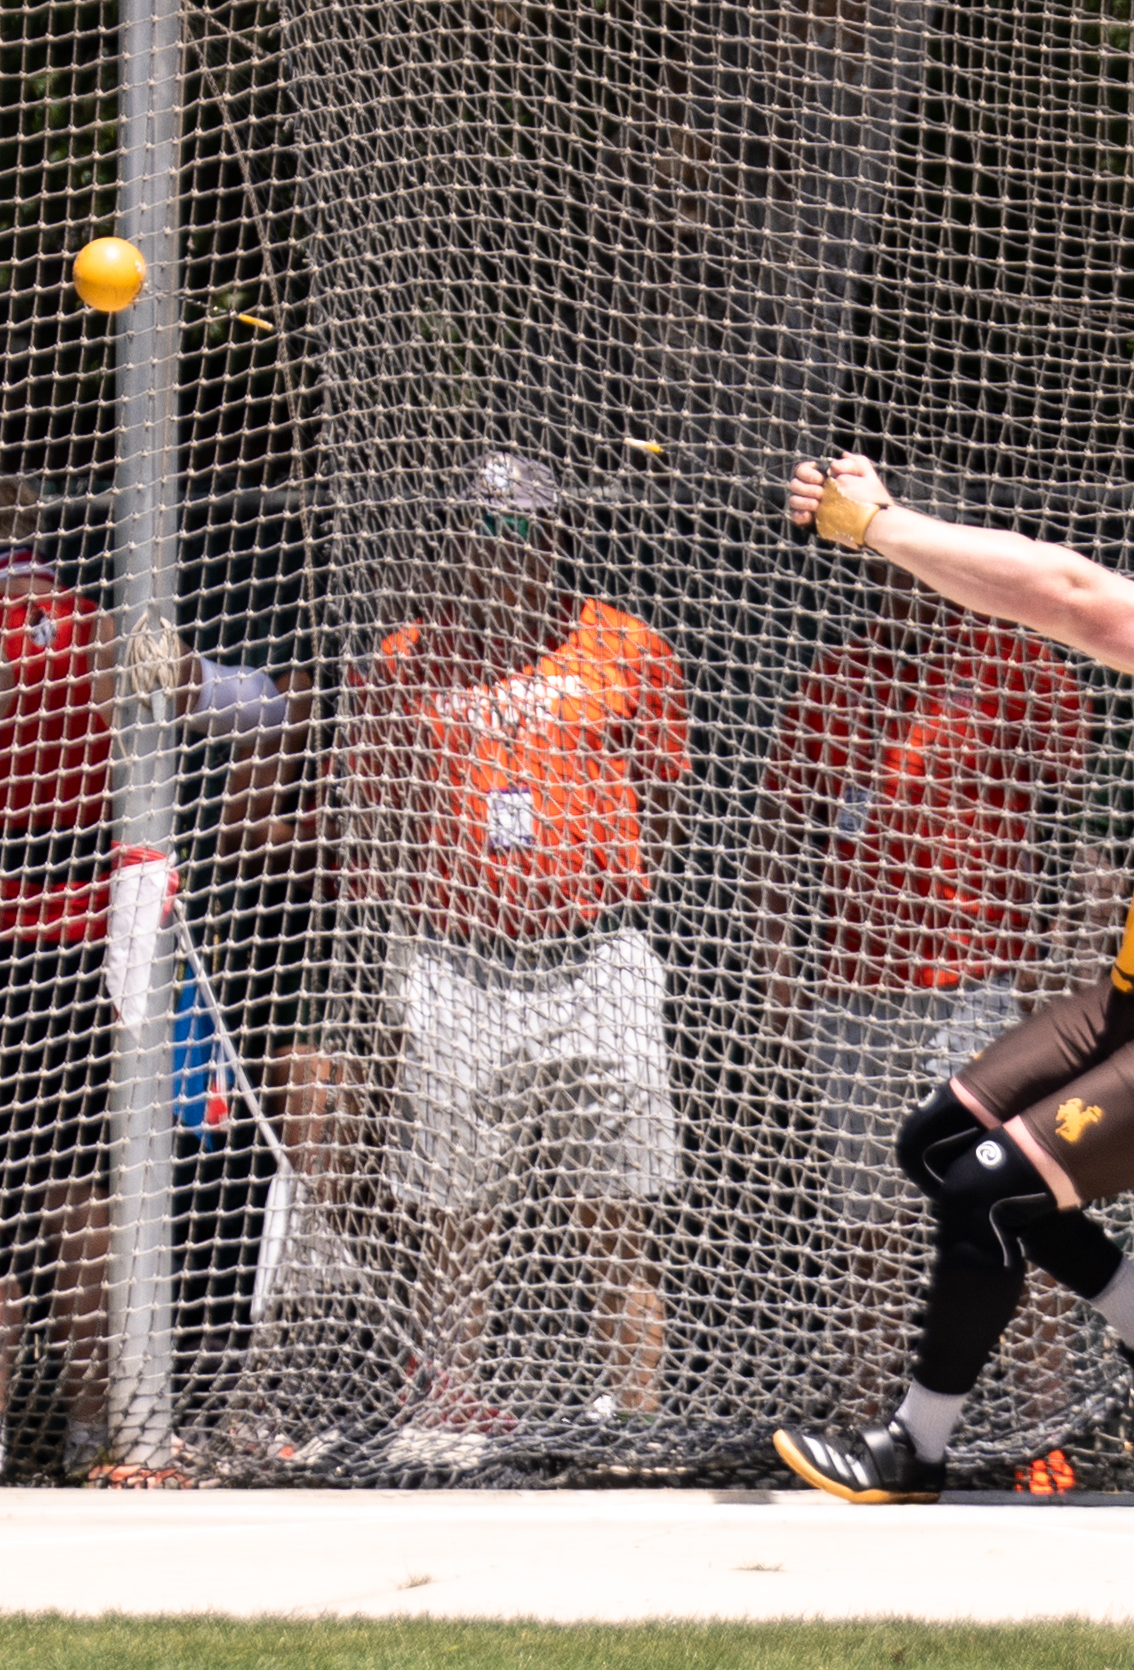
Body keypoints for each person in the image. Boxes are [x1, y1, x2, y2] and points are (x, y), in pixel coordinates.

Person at [770, 453, 1134, 1500]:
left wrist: (880, 526)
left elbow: (1075, 597)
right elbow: (1043, 595)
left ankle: (914, 1446)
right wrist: (888, 532)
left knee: (986, 1189)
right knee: (935, 1145)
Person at [335, 451, 689, 1428]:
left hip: (595, 957)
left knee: (615, 1208)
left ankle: (636, 1418)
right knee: (455, 1211)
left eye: (519, 528)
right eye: (482, 528)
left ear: (554, 536)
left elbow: (660, 796)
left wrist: (584, 874)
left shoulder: (630, 647)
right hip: (457, 959)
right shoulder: (404, 656)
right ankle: (452, 1409)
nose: (499, 549)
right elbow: (376, 811)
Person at [746, 560, 1090, 1458]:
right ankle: (873, 1419)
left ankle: (1041, 1430)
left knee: (1010, 1203)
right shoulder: (838, 675)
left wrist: (1059, 947)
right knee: (870, 1225)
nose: (916, 586)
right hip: (856, 990)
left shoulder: (1016, 662)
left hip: (982, 982)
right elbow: (780, 828)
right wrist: (780, 959)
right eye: (896, 570)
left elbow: (1077, 814)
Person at [0, 474, 298, 1477]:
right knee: (76, 1194)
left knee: (64, 1196)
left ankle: (87, 1423)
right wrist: (188, 677)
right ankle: (98, 1423)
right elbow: (265, 704)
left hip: (63, 930)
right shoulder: (99, 630)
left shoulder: (93, 630)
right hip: (90, 943)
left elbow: (262, 706)